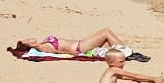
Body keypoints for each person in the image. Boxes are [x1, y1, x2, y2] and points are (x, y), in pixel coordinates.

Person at [9, 27, 137, 58]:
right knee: (107, 33)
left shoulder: (42, 43)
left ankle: (123, 49)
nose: (29, 37)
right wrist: (73, 53)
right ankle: (124, 50)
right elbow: (59, 51)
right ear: (30, 45)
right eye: (27, 40)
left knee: (105, 30)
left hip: (80, 42)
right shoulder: (44, 48)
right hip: (79, 47)